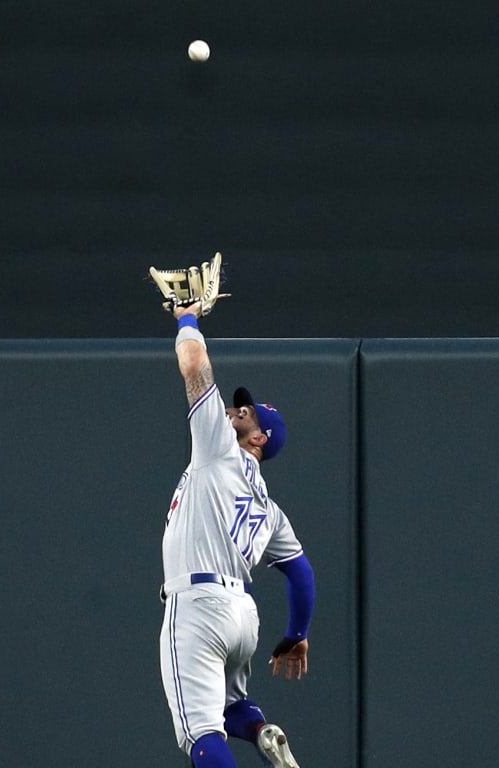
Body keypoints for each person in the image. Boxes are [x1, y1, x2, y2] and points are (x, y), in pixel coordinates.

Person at [158, 302, 316, 768]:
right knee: (229, 711)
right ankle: (262, 729)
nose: (234, 410)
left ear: (259, 438)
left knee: (200, 734)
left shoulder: (219, 446)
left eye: (245, 412)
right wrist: (296, 635)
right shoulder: (271, 510)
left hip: (198, 604)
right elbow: (301, 573)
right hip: (241, 616)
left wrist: (187, 319)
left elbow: (194, 366)